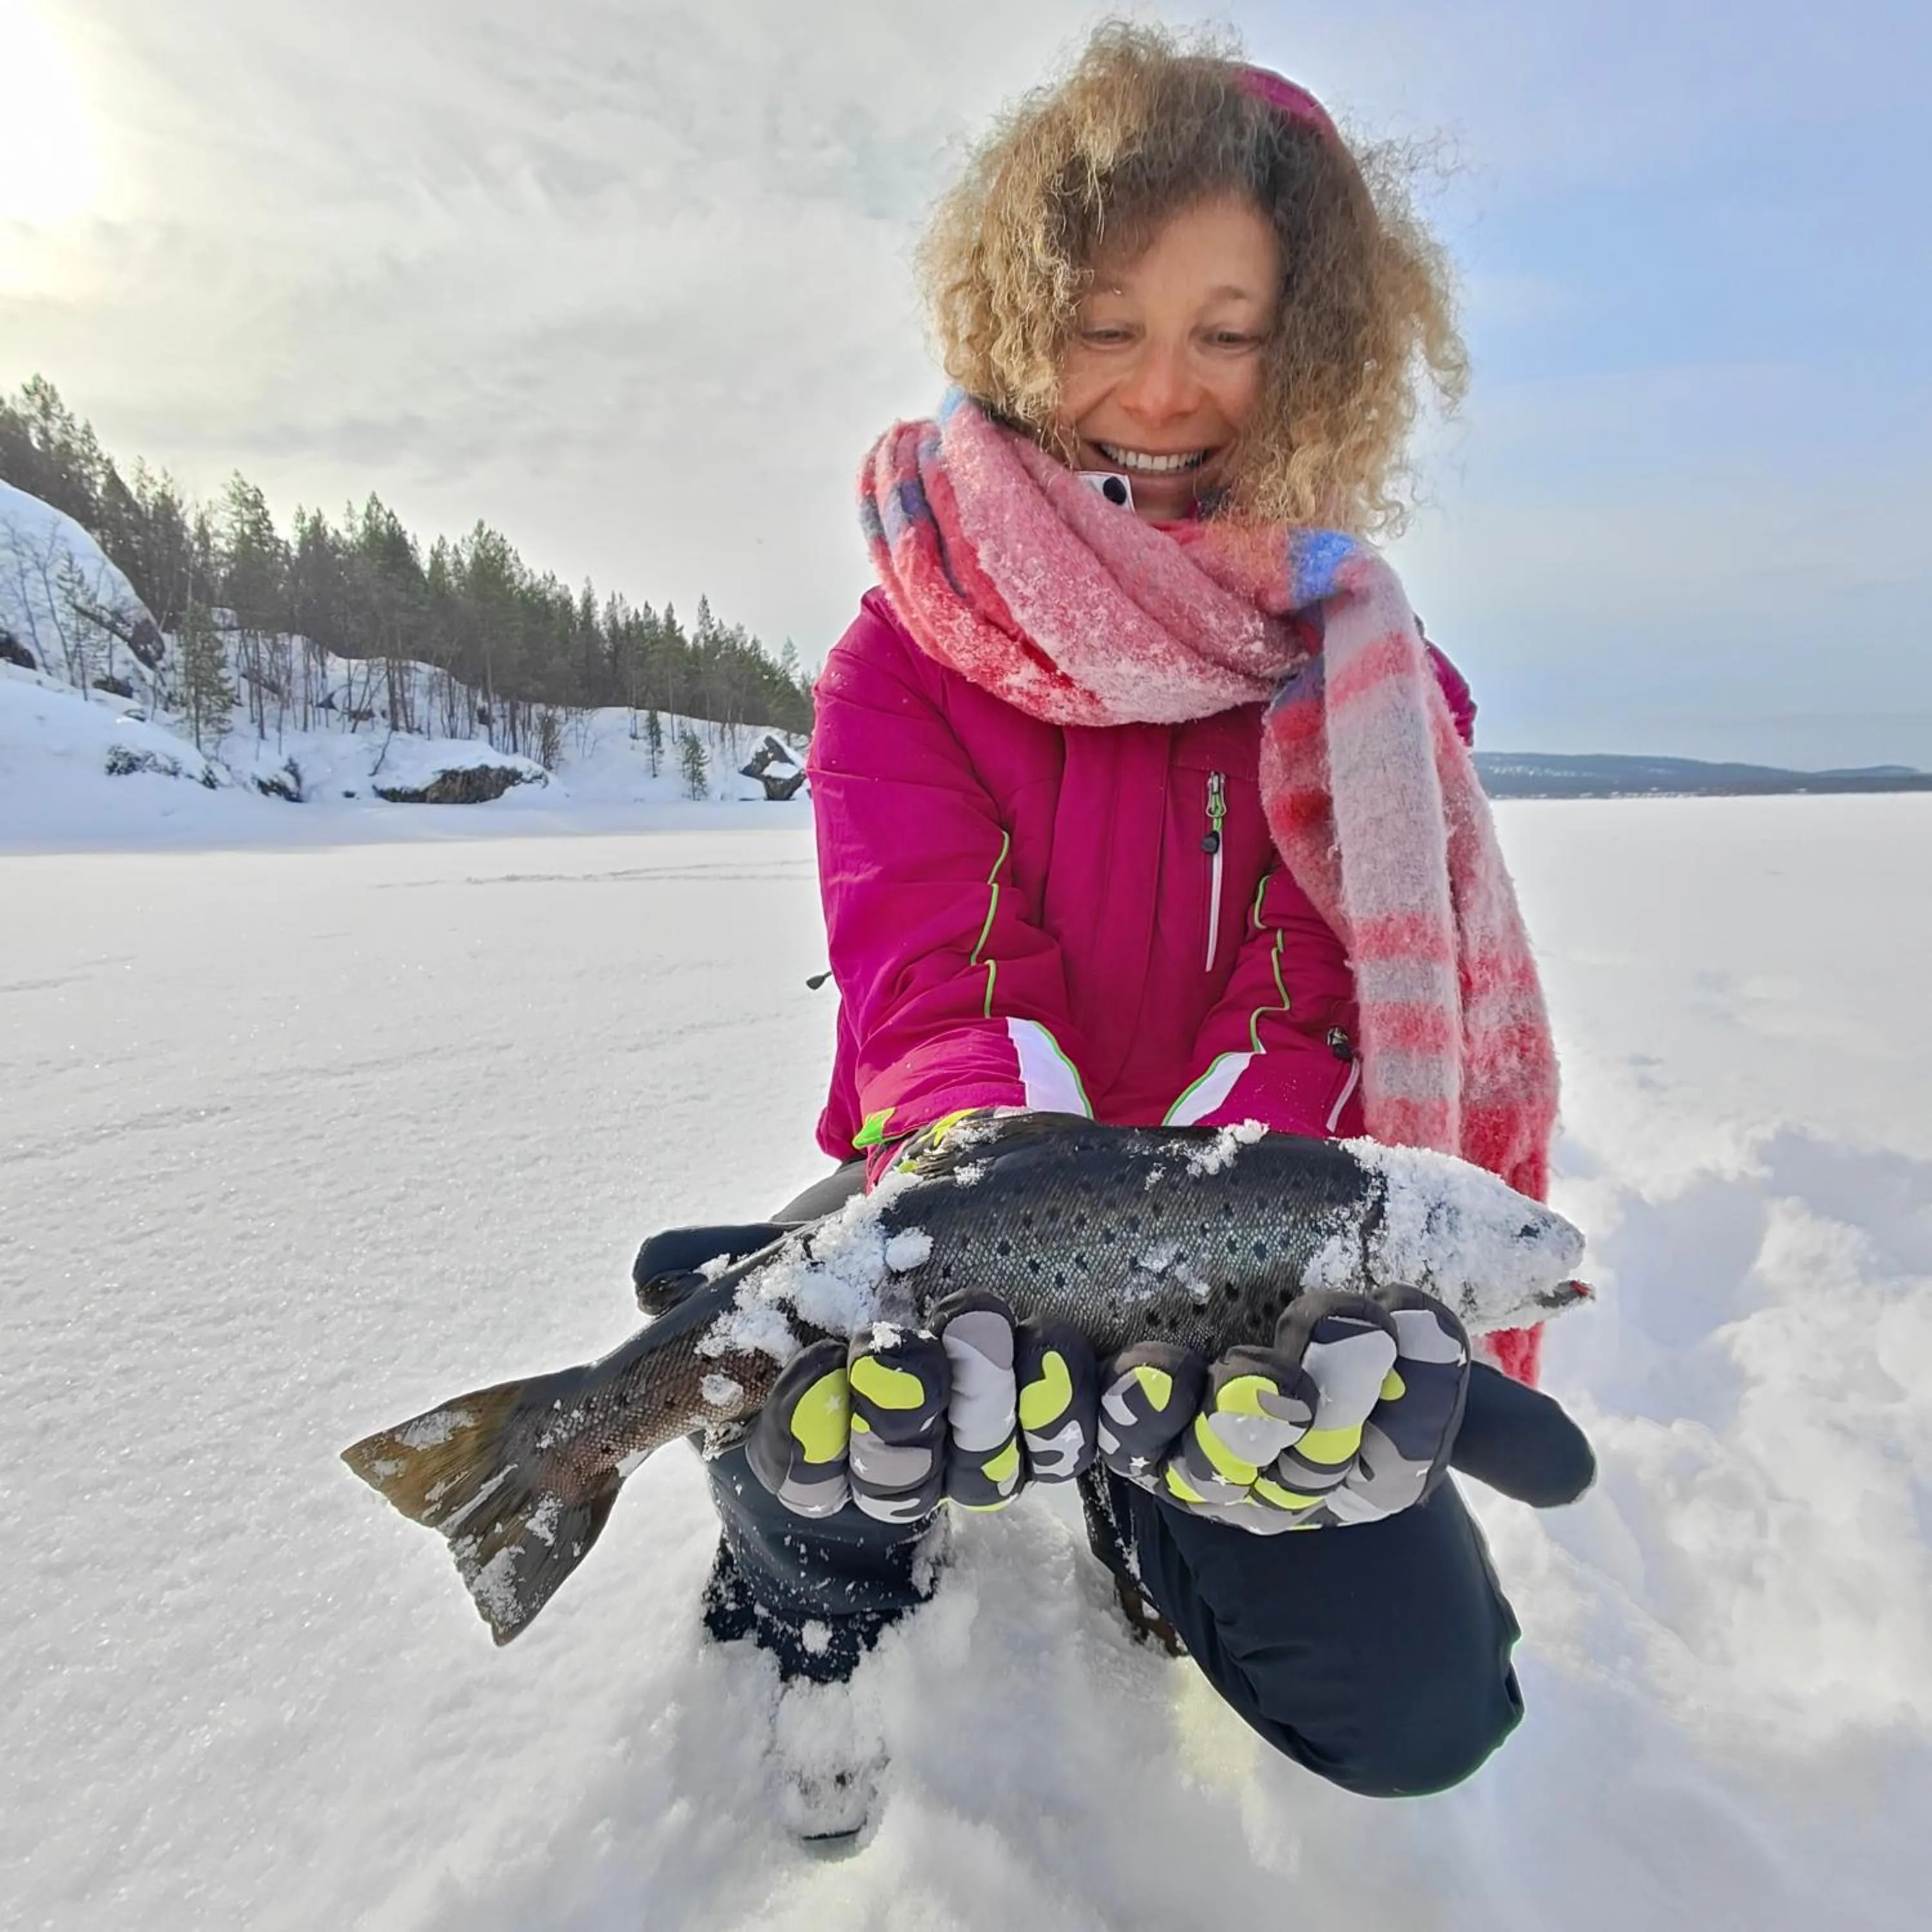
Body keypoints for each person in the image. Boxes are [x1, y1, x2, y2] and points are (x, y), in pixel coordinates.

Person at [638, 22, 1593, 1841]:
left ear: (1311, 347)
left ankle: (1151, 1514)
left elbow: (1315, 1006)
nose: (1163, 392)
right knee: (829, 1411)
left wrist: (1225, 1270)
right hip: (966, 1181)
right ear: (1019, 320)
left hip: (1246, 1234)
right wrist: (1025, 1211)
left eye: (1229, 332)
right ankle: (815, 1603)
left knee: (1422, 1705)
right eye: (1104, 324)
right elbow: (941, 989)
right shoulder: (902, 662)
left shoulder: (1372, 691)